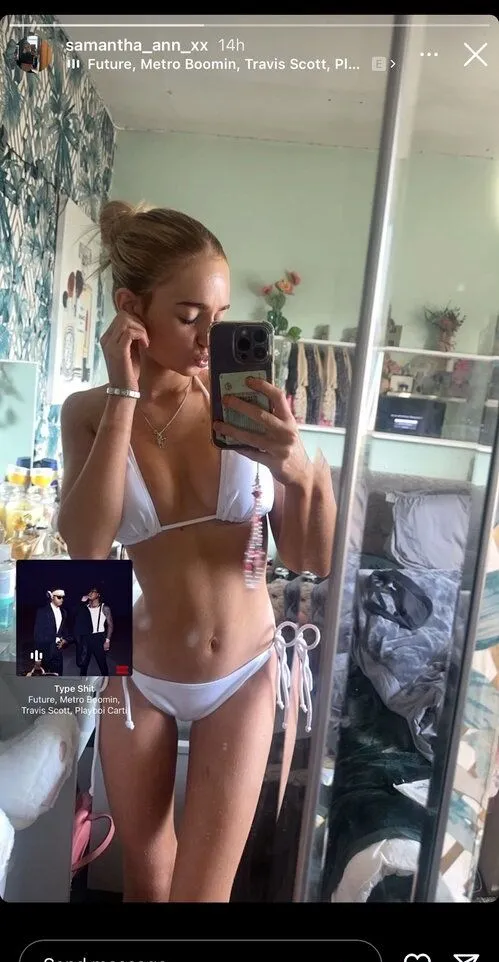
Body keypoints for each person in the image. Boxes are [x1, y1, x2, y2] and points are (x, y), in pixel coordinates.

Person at [58, 200, 336, 903]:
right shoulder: (87, 413)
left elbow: (310, 559)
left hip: (242, 671)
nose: (211, 337)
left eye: (221, 315)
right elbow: (86, 548)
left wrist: (299, 473)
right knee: (145, 886)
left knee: (202, 897)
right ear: (132, 309)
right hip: (136, 675)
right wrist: (123, 393)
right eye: (189, 317)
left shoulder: (241, 403)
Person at [74, 587, 113, 677]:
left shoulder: (104, 608)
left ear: (98, 594)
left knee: (102, 663)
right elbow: (75, 614)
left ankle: (106, 680)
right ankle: (82, 683)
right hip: (86, 638)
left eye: (93, 592)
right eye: (89, 591)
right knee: (83, 664)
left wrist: (107, 640)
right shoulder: (85, 607)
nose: (90, 593)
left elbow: (110, 625)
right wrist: (81, 602)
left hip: (98, 638)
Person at [33, 589, 69, 675]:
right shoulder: (42, 611)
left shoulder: (64, 612)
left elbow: (64, 630)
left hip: (58, 650)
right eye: (59, 597)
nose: (62, 599)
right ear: (52, 597)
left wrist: (65, 640)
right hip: (45, 650)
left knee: (58, 675)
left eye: (63, 597)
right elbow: (37, 636)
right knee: (44, 677)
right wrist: (37, 658)